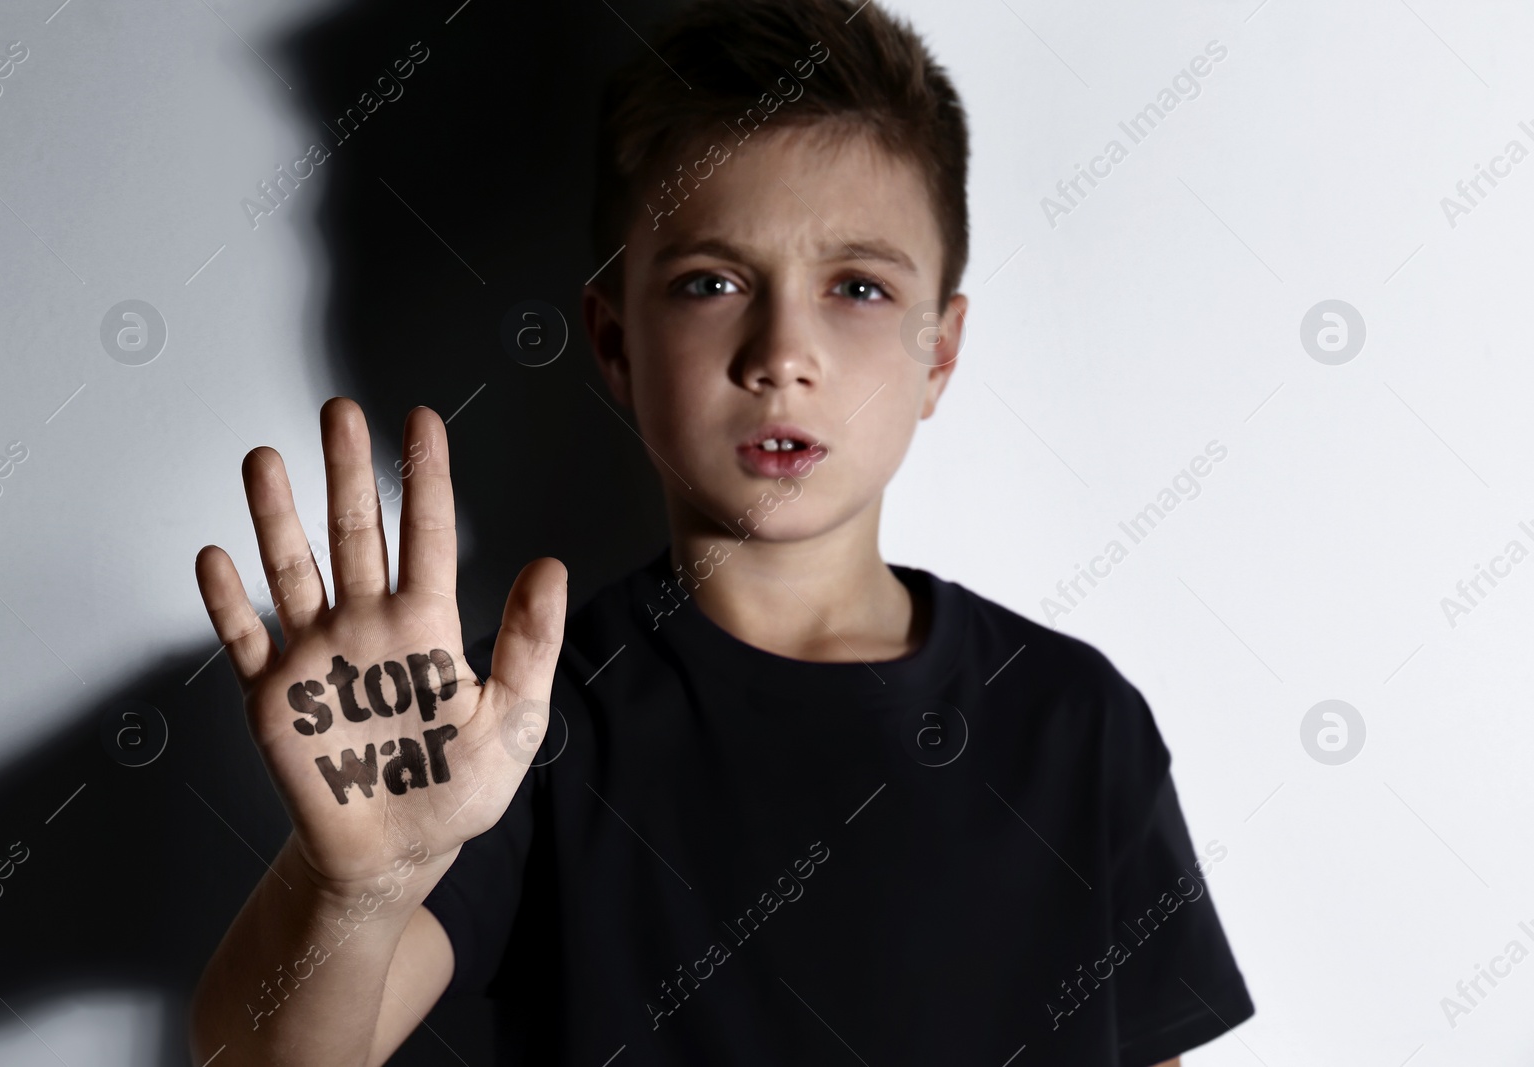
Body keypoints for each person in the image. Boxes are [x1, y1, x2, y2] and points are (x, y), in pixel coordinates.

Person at [187, 0, 1254, 1063]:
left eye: (857, 287)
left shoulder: (1074, 720)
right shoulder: (502, 729)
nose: (780, 351)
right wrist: (356, 888)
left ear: (940, 350)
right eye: (712, 282)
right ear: (614, 342)